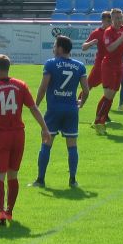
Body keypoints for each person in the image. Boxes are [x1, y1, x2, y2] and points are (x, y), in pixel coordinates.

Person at [0, 54, 51, 226]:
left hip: (0, 136)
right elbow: (33, 108)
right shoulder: (20, 85)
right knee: (13, 174)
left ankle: (1, 211)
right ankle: (10, 211)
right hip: (18, 135)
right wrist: (45, 128)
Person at [30, 35, 90, 189]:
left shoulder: (51, 64)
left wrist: (35, 105)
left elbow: (43, 88)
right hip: (71, 110)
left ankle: (40, 180)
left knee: (46, 144)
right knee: (72, 146)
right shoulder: (80, 66)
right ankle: (73, 180)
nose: (53, 48)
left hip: (54, 110)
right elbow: (86, 90)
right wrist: (81, 103)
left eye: (55, 45)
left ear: (60, 48)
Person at [91, 8, 123, 132]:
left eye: (120, 18)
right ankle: (97, 121)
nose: (119, 20)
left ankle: (102, 120)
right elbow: (110, 48)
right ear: (112, 19)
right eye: (116, 18)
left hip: (119, 67)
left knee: (112, 95)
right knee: (108, 95)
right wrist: (122, 37)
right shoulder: (108, 32)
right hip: (108, 66)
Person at [82, 11, 112, 90]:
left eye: (111, 21)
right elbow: (84, 47)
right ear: (102, 21)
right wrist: (91, 43)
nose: (110, 23)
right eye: (108, 21)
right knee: (88, 86)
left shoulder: (115, 31)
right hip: (100, 64)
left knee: (110, 89)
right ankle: (79, 102)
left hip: (113, 64)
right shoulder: (96, 33)